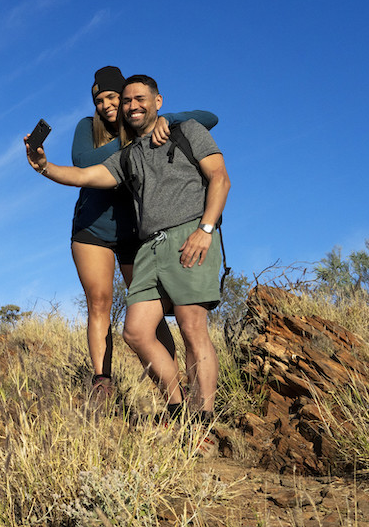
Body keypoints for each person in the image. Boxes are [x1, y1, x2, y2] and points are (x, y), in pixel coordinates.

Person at [26, 74, 230, 447]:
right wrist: (43, 165)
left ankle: (202, 421)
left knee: (191, 325)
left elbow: (220, 178)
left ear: (157, 101)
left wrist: (205, 228)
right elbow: (84, 173)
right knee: (135, 332)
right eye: (127, 102)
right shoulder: (127, 155)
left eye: (139, 99)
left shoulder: (186, 130)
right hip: (149, 246)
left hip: (189, 235)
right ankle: (179, 410)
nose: (132, 106)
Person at [70, 66, 218, 401]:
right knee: (100, 302)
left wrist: (169, 119)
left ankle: (173, 390)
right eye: (99, 100)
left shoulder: (149, 121)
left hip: (137, 232)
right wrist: (133, 142)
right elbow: (81, 162)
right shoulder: (93, 129)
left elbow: (209, 117)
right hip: (93, 228)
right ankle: (102, 382)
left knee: (149, 311)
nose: (106, 104)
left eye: (113, 97)